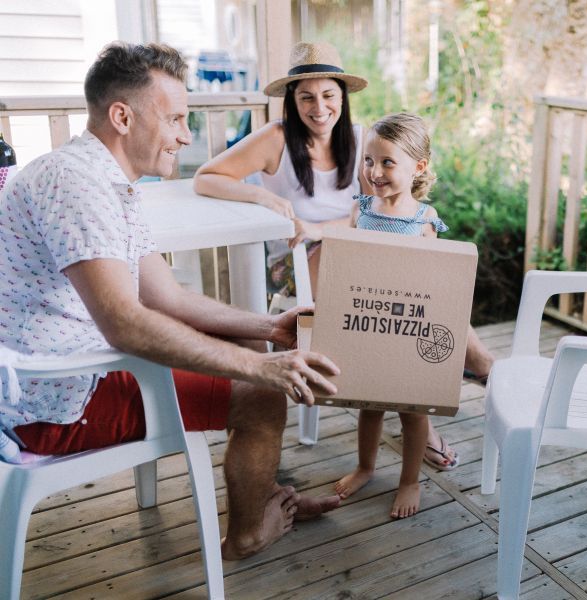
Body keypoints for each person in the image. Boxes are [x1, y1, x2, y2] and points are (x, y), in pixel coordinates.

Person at [0, 42, 342, 561]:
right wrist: (260, 370)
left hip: (73, 366)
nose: (185, 135)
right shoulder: (75, 185)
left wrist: (268, 328)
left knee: (251, 343)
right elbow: (125, 324)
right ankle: (248, 536)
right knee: (261, 394)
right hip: (53, 402)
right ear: (122, 117)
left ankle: (262, 494)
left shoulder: (107, 182)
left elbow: (167, 297)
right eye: (175, 119)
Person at [194, 41, 494, 472]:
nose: (319, 108)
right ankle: (474, 374)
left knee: (416, 289)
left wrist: (332, 230)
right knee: (398, 286)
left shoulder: (359, 139)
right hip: (298, 259)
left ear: (342, 97)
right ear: (292, 99)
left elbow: (378, 214)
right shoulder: (276, 138)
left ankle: (436, 391)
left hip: (358, 248)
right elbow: (207, 177)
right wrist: (262, 195)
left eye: (328, 95)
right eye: (306, 97)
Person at [333, 112, 450, 518]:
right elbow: (350, 262)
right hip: (370, 324)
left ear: (418, 167)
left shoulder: (424, 220)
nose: (375, 171)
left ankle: (410, 480)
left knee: (412, 412)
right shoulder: (362, 208)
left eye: (387, 162)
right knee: (369, 405)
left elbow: (433, 280)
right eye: (369, 160)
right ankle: (365, 467)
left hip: (408, 327)